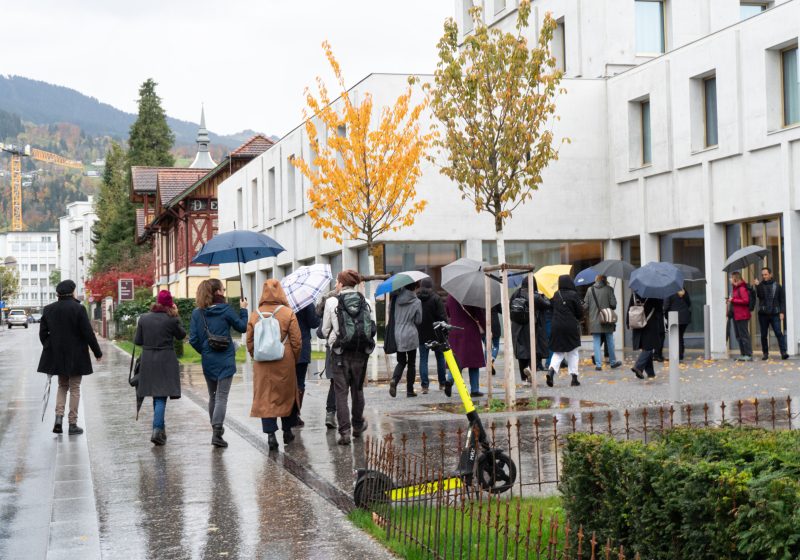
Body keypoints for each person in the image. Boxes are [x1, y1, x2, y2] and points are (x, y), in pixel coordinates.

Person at [37, 279, 103, 436]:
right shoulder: (78, 309)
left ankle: (58, 418)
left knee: (62, 386)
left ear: (58, 294)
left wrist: (50, 346)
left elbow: (42, 334)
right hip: (76, 354)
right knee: (74, 388)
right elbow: (88, 333)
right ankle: (72, 424)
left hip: (57, 354)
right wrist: (97, 352)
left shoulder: (48, 309)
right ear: (72, 292)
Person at [189, 279, 248, 448]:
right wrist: (243, 309)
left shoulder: (197, 313)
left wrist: (206, 351)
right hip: (225, 360)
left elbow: (193, 339)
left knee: (213, 396)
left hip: (208, 361)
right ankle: (217, 432)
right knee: (222, 396)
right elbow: (243, 327)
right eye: (223, 289)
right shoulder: (226, 310)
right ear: (217, 293)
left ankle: (216, 430)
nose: (224, 291)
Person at [321, 270, 376, 446]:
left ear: (342, 283)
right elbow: (371, 328)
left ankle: (344, 433)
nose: (336, 284)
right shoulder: (365, 301)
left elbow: (324, 330)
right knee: (357, 390)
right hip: (360, 353)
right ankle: (358, 426)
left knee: (341, 393)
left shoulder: (331, 302)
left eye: (337, 281)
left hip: (339, 353)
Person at [247, 279, 302, 451]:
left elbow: (249, 341)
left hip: (262, 362)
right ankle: (287, 430)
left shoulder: (255, 314)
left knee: (266, 397)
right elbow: (296, 341)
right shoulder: (288, 313)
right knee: (286, 395)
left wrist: (255, 354)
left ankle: (271, 434)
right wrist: (294, 358)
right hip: (284, 359)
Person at [135, 290, 186, 446]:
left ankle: (161, 430)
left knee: (157, 395)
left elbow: (138, 341)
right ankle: (157, 430)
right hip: (166, 360)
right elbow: (181, 335)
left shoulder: (144, 318)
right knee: (161, 395)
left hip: (148, 360)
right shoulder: (171, 319)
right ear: (170, 304)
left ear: (157, 302)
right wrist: (176, 315)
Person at [546, 275, 584, 387]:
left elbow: (551, 308)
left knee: (558, 351)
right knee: (573, 351)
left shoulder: (556, 295)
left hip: (556, 325)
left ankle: (551, 371)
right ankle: (574, 378)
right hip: (570, 326)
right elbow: (579, 313)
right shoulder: (573, 295)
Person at [510, 278, 551, 382]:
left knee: (521, 353)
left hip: (516, 327)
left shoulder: (515, 293)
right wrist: (543, 295)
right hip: (531, 327)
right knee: (536, 350)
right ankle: (529, 368)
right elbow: (547, 304)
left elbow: (510, 306)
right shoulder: (535, 296)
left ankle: (524, 380)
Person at [445, 295, 485, 397]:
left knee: (456, 359)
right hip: (470, 331)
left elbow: (448, 312)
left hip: (454, 330)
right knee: (474, 362)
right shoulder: (471, 297)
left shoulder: (450, 296)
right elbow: (479, 315)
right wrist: (486, 327)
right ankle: (475, 389)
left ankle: (449, 380)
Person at [389, 283, 422, 397]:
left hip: (397, 332)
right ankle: (410, 390)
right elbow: (418, 320)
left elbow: (391, 313)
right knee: (411, 363)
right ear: (415, 287)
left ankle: (394, 380)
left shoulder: (396, 299)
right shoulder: (417, 302)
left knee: (401, 361)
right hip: (411, 333)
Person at [583, 275, 622, 371]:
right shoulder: (609, 289)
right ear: (605, 280)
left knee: (596, 341)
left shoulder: (589, 290)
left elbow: (585, 306)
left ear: (596, 280)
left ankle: (598, 365)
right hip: (607, 319)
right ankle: (612, 362)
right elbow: (613, 305)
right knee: (610, 340)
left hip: (594, 321)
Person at [417, 278, 448, 391]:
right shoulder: (436, 298)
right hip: (437, 333)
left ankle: (425, 386)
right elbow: (442, 316)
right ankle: (442, 383)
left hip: (421, 333)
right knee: (440, 358)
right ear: (431, 286)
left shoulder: (417, 299)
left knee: (423, 359)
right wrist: (445, 329)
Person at [294, 301, 321, 425]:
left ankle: (287, 413)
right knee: (300, 382)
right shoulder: (306, 302)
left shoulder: (283, 301)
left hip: (286, 346)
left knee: (288, 382)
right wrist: (317, 312)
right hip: (302, 345)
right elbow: (314, 323)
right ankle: (295, 414)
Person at [754, 267, 788, 360]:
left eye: (765, 274)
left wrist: (782, 312)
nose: (764, 276)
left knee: (778, 332)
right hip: (763, 314)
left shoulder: (777, 286)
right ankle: (765, 353)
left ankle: (783, 352)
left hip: (775, 313)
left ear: (770, 274)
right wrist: (757, 286)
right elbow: (760, 296)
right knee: (764, 334)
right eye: (762, 275)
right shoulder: (760, 285)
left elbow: (782, 300)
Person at [628, 291, 664, 379]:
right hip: (650, 323)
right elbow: (659, 309)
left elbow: (630, 308)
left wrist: (627, 322)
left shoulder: (635, 293)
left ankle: (651, 373)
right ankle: (638, 366)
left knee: (646, 346)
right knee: (649, 347)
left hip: (637, 323)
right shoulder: (654, 293)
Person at [316, 290, 337, 429]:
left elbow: (320, 332)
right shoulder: (340, 305)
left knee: (334, 383)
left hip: (333, 349)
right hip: (348, 348)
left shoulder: (326, 311)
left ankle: (330, 414)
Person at [727, 271, 752, 361]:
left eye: (731, 277)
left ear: (735, 278)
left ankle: (748, 354)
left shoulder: (741, 288)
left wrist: (733, 300)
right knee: (738, 336)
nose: (730, 279)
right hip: (736, 315)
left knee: (744, 335)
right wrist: (731, 300)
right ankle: (743, 354)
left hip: (742, 315)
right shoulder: (735, 288)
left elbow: (746, 301)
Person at [663, 287, 692, 361]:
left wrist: (665, 314)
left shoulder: (669, 291)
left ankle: (677, 356)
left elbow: (666, 306)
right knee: (680, 336)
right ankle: (680, 354)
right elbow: (689, 303)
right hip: (685, 317)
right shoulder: (684, 290)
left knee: (676, 337)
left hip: (674, 317)